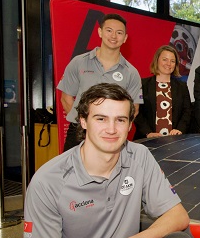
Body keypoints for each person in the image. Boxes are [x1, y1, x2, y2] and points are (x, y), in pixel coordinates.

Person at [23, 83, 194, 238]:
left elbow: (178, 215)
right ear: (83, 121)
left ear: (129, 125)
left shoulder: (139, 155)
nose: (111, 130)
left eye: (120, 120)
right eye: (101, 119)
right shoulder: (48, 182)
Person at [58, 13, 143, 151]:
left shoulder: (131, 73)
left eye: (119, 32)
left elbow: (134, 109)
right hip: (79, 132)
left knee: (110, 172)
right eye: (109, 30)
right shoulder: (78, 62)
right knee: (72, 171)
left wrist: (115, 129)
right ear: (100, 32)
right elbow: (66, 98)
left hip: (112, 135)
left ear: (125, 38)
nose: (114, 36)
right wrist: (84, 124)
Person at [133, 45, 192, 139]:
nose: (168, 63)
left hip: (174, 141)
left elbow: (187, 111)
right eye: (165, 59)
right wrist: (148, 133)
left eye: (172, 61)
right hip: (146, 140)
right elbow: (136, 112)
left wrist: (180, 130)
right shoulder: (142, 84)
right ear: (157, 60)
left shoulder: (182, 87)